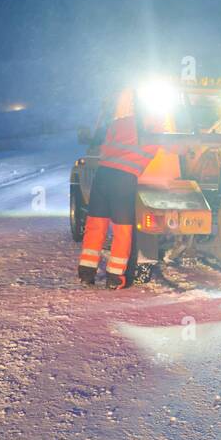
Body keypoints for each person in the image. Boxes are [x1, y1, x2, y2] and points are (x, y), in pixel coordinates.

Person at [77, 88, 160, 289]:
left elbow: (104, 148)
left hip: (103, 175)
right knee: (123, 229)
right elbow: (167, 145)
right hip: (125, 179)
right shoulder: (152, 125)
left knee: (96, 225)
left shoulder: (118, 122)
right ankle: (115, 278)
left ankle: (86, 274)